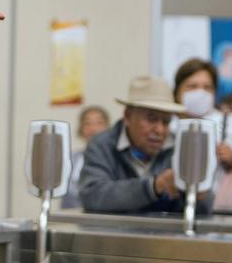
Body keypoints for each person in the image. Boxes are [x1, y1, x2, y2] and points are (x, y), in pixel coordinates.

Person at [79, 76, 213, 213]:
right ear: (128, 116)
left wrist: (195, 193)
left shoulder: (179, 148)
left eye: (166, 122)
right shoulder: (102, 145)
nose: (159, 130)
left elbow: (203, 209)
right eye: (151, 119)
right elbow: (92, 195)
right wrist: (153, 187)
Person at [172, 58, 232, 203]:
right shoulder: (164, 125)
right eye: (192, 86)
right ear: (177, 90)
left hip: (222, 211)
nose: (200, 92)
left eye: (207, 87)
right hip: (171, 210)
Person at [61, 105, 110, 209]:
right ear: (81, 128)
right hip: (70, 217)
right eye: (87, 123)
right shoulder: (70, 158)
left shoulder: (115, 160)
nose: (93, 129)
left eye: (99, 123)